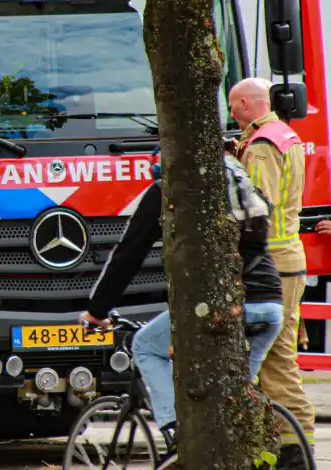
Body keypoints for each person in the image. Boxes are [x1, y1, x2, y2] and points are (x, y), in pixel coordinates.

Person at [80, 150, 285, 470]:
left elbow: (128, 254)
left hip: (225, 304)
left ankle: (176, 432)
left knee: (145, 345)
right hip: (270, 304)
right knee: (236, 401)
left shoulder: (171, 186)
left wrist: (97, 310)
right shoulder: (238, 179)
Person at [228, 77, 316, 464]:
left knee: (278, 365)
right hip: (287, 261)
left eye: (233, 106)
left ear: (247, 103)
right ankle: (281, 448)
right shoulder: (284, 136)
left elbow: (256, 206)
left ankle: (297, 452)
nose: (231, 114)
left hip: (273, 265)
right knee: (274, 362)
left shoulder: (262, 148)